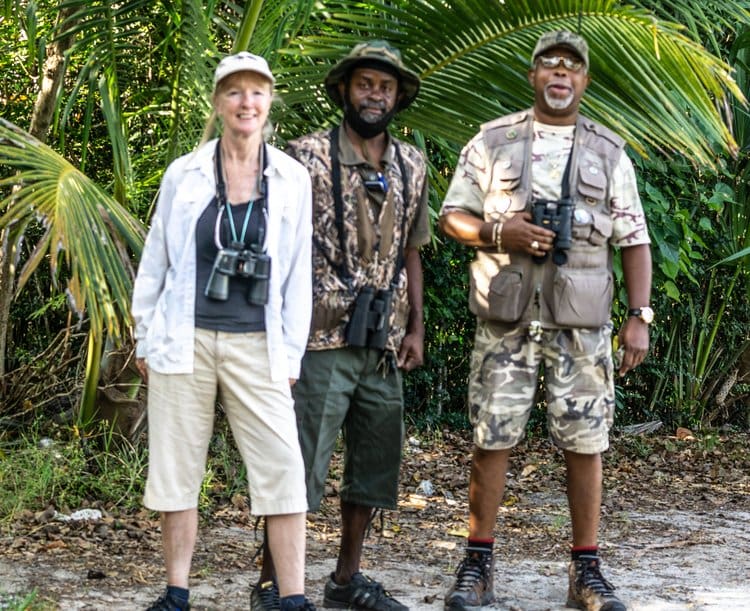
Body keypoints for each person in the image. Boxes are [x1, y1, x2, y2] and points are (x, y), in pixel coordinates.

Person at [438, 30, 652, 611]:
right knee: (492, 438)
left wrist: (639, 315)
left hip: (581, 326)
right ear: (533, 76)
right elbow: (450, 217)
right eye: (550, 65)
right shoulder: (492, 141)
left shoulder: (609, 151)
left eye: (572, 67)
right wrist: (497, 231)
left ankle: (587, 572)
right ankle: (476, 564)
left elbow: (634, 239)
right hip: (506, 321)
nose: (561, 74)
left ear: (584, 80)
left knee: (587, 442)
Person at [131, 51, 316, 611]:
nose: (246, 103)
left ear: (269, 102)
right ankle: (177, 592)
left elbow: (297, 276)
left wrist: (292, 358)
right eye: (234, 92)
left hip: (259, 344)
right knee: (176, 469)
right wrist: (144, 333)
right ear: (218, 102)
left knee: (283, 469)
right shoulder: (184, 173)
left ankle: (293, 598)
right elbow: (156, 259)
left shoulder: (291, 178)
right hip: (183, 338)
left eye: (256, 92)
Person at [252, 40, 431, 611]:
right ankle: (273, 584)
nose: (374, 95)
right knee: (297, 465)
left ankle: (346, 579)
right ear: (345, 91)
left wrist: (416, 329)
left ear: (398, 96)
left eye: (385, 86)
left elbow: (412, 251)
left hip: (383, 341)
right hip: (317, 338)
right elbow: (273, 245)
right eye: (364, 84)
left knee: (375, 466)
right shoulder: (301, 159)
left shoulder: (412, 163)